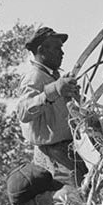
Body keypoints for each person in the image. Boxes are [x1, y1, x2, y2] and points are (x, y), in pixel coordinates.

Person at [16, 25, 88, 187]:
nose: (62, 53)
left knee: (82, 196)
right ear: (42, 50)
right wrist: (54, 90)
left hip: (66, 153)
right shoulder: (35, 77)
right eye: (57, 48)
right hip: (53, 156)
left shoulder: (51, 76)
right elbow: (23, 112)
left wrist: (72, 95)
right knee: (68, 201)